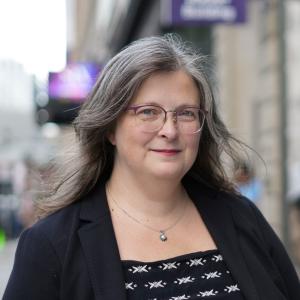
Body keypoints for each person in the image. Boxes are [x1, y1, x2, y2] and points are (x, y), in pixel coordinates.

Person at [3, 35, 300, 300]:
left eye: (185, 113)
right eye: (148, 112)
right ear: (110, 128)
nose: (169, 130)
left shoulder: (241, 218)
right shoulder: (51, 245)